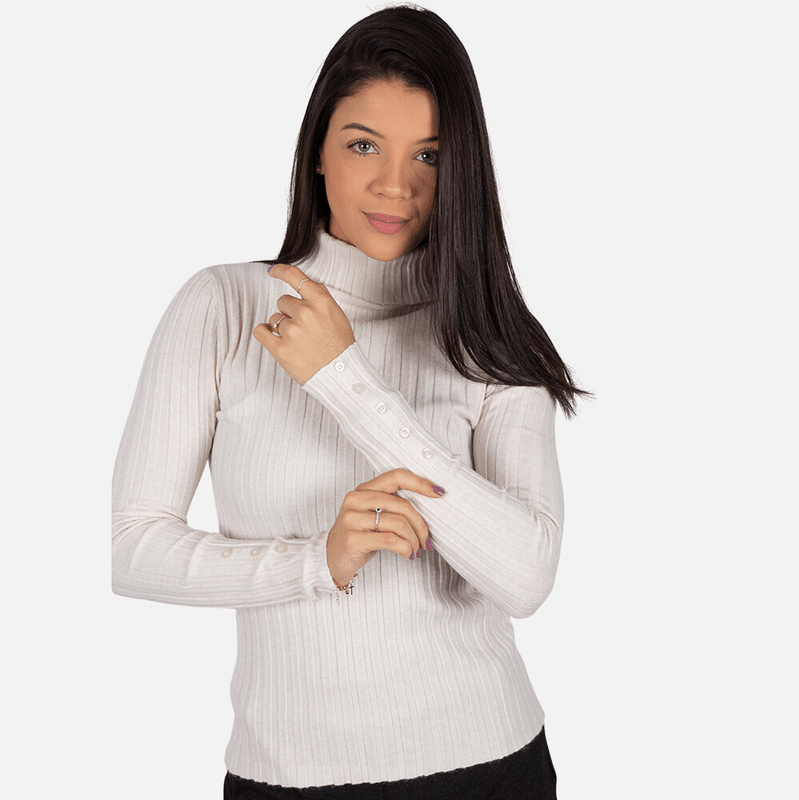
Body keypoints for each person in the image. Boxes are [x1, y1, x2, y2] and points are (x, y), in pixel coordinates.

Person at [112, 6, 586, 798]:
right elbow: (131, 549)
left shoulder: (489, 334)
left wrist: (346, 381)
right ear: (317, 154)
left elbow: (527, 577)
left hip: (488, 767)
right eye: (364, 144)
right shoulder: (222, 307)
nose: (395, 184)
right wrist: (316, 563)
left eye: (429, 155)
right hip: (283, 777)